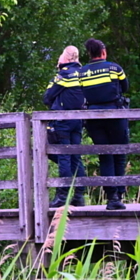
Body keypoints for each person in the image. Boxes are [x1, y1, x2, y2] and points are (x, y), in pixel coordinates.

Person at [79, 38, 130, 210]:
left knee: (105, 155)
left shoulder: (82, 72)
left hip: (94, 118)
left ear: (89, 53)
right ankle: (119, 195)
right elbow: (125, 87)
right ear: (103, 52)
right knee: (119, 153)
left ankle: (111, 197)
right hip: (115, 115)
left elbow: (80, 93)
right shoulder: (114, 68)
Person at [43, 46, 87, 208]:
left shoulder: (64, 75)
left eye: (61, 54)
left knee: (64, 157)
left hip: (63, 120)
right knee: (76, 157)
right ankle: (79, 196)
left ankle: (62, 196)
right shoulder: (84, 74)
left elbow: (47, 96)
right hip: (79, 120)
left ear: (67, 58)